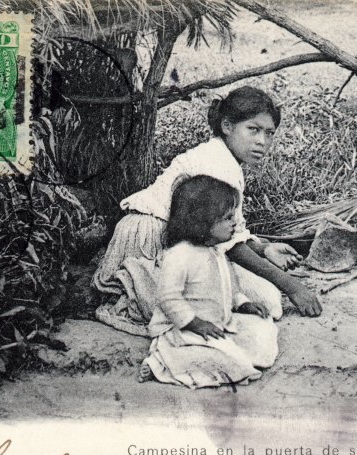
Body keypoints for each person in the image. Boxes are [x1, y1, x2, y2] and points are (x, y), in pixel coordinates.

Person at [92, 86, 321, 335]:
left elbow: (228, 232)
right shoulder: (217, 164)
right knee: (267, 299)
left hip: (177, 239)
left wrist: (264, 248)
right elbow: (228, 245)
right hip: (152, 242)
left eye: (269, 133)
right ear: (227, 126)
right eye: (253, 129)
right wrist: (293, 287)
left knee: (259, 298)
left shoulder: (224, 158)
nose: (262, 141)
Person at [139, 176, 278, 388]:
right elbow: (168, 298)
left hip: (218, 324)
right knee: (235, 364)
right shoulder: (180, 255)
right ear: (202, 221)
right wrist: (196, 323)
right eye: (227, 218)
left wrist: (242, 303)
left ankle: (221, 354)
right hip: (185, 331)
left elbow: (228, 285)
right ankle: (163, 362)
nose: (235, 222)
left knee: (263, 329)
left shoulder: (216, 251)